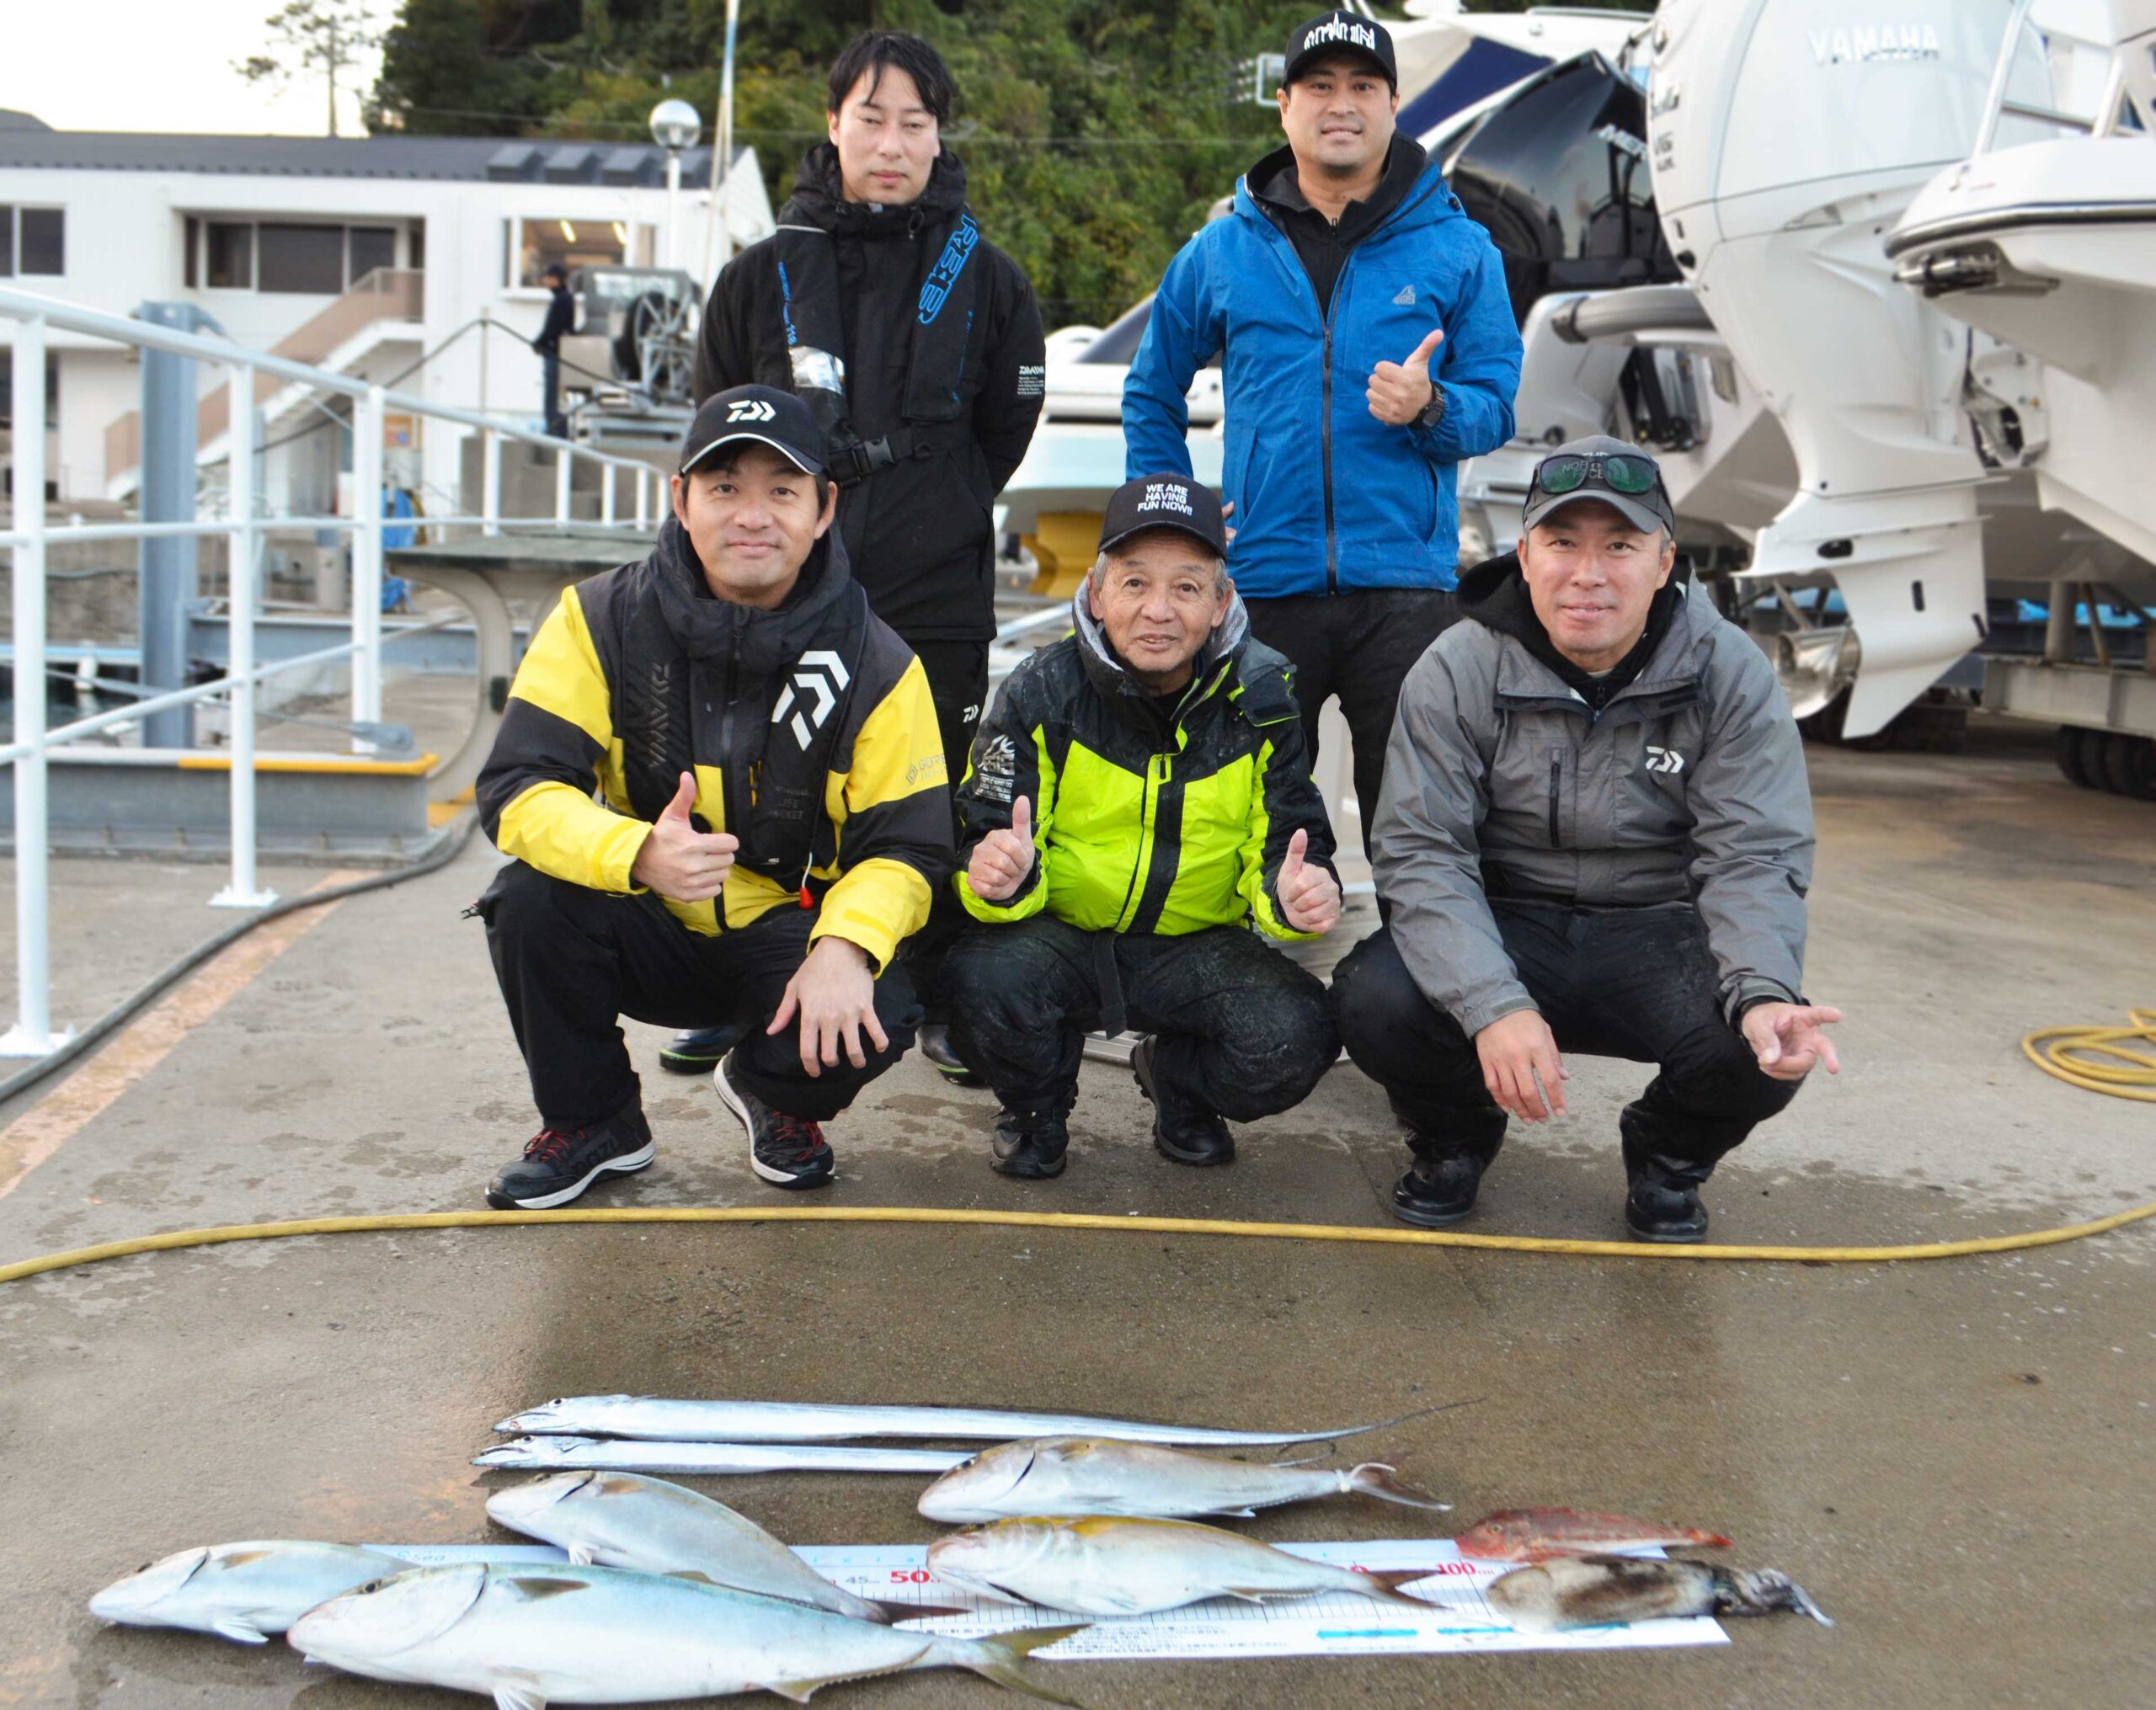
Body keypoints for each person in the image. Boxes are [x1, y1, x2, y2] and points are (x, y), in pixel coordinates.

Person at [1332, 437, 1841, 1242]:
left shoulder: (1730, 671)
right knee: (1376, 996)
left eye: (1622, 545)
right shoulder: (1456, 666)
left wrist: (1763, 989)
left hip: (1656, 924)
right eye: (1563, 542)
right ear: (1526, 554)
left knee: (1766, 1039)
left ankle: (1667, 1154)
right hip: (1506, 920)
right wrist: (1492, 1003)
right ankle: (1455, 1138)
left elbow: (1753, 853)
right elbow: (1423, 852)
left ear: (1667, 559)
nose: (1589, 573)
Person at [472, 385, 952, 1208]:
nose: (752, 515)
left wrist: (845, 946)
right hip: (643, 915)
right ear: (681, 500)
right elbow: (518, 788)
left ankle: (774, 1090)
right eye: (724, 487)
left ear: (824, 508)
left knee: (890, 991)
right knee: (526, 900)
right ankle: (594, 1122)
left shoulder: (880, 663)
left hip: (786, 933)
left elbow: (909, 847)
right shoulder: (596, 619)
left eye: (782, 490)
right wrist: (635, 853)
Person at [686, 29, 1047, 1084]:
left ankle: (927, 984)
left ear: (939, 138)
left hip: (936, 588)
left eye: (915, 124)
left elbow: (1001, 432)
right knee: (752, 782)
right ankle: (739, 983)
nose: (892, 143)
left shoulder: (991, 278)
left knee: (931, 791)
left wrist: (930, 499)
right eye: (871, 118)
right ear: (833, 123)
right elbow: (714, 421)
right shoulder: (757, 277)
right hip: (773, 589)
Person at [1122, 9, 1523, 856]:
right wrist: (1174, 524)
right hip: (1264, 583)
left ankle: (1414, 977)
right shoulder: (1219, 250)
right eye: (1320, 87)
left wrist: (1431, 409)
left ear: (1393, 104)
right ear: (1284, 105)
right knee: (1245, 820)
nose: (1341, 105)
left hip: (1407, 591)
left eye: (1363, 87)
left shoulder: (1460, 249)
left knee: (1415, 828)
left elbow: (1495, 406)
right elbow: (1150, 390)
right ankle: (1244, 973)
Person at [944, 475, 1343, 1180]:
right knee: (979, 976)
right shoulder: (1040, 688)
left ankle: (1178, 1083)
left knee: (1299, 1033)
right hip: (1062, 935)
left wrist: (1296, 897)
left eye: (1186, 588)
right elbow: (983, 836)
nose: (1158, 611)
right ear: (1098, 594)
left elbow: (1290, 844)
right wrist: (999, 875)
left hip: (1194, 946)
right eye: (1134, 584)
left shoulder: (1266, 698)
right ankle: (1037, 1108)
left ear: (1221, 603)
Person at [531, 263, 574, 439]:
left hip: (556, 353)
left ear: (556, 279)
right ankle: (557, 428)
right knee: (557, 395)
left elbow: (554, 327)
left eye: (547, 277)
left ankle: (555, 429)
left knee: (553, 395)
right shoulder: (564, 298)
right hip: (558, 352)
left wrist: (539, 342)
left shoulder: (562, 299)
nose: (545, 281)